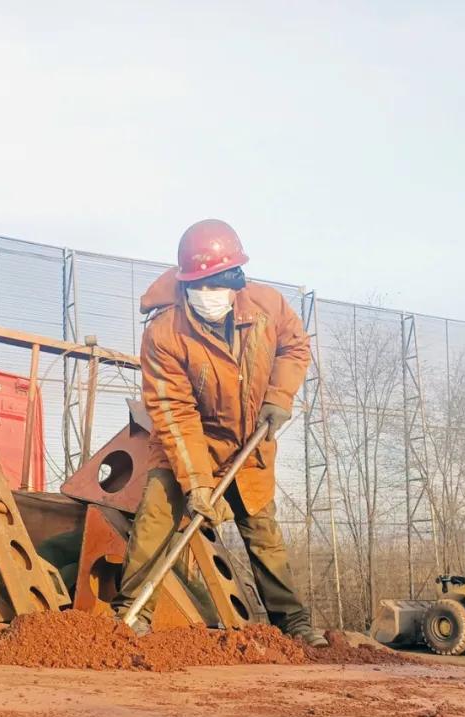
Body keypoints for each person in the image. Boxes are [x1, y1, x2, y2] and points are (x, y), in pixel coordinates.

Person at [112, 219, 327, 647]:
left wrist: (279, 395)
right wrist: (195, 484)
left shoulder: (267, 306)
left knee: (263, 534)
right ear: (185, 281)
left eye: (216, 284)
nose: (207, 295)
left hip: (250, 441)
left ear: (235, 281)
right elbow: (174, 411)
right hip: (190, 442)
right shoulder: (165, 331)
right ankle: (131, 613)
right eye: (199, 285)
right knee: (156, 517)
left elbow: (295, 346)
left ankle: (294, 624)